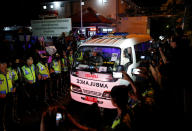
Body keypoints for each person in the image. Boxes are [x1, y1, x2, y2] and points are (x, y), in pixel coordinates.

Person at [0, 58, 15, 131]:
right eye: (2, 64)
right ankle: (2, 125)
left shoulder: (9, 72)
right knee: (2, 112)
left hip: (9, 94)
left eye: (5, 63)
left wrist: (13, 87)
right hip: (1, 96)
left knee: (10, 109)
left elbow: (12, 81)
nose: (4, 65)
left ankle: (10, 123)